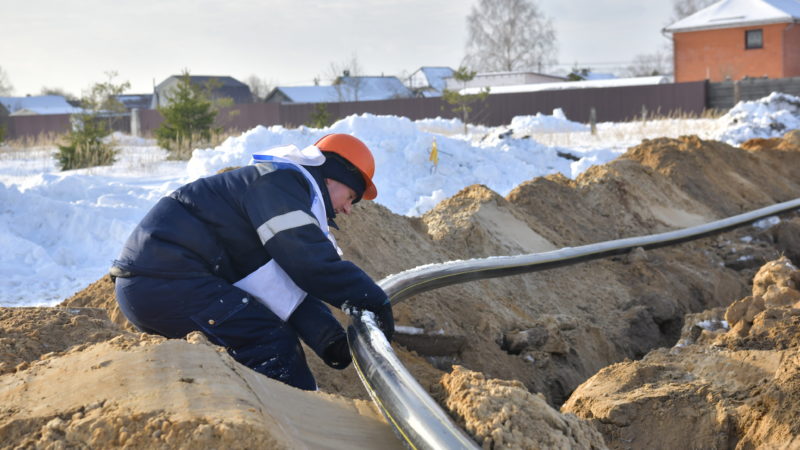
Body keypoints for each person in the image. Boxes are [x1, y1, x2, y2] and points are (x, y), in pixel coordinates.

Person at [110, 133, 394, 391]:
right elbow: (310, 263)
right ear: (333, 175)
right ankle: (297, 430)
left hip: (157, 284)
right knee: (268, 341)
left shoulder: (279, 191)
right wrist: (373, 300)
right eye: (351, 196)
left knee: (260, 332)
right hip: (164, 280)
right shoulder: (279, 185)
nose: (347, 209)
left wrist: (331, 341)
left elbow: (284, 286)